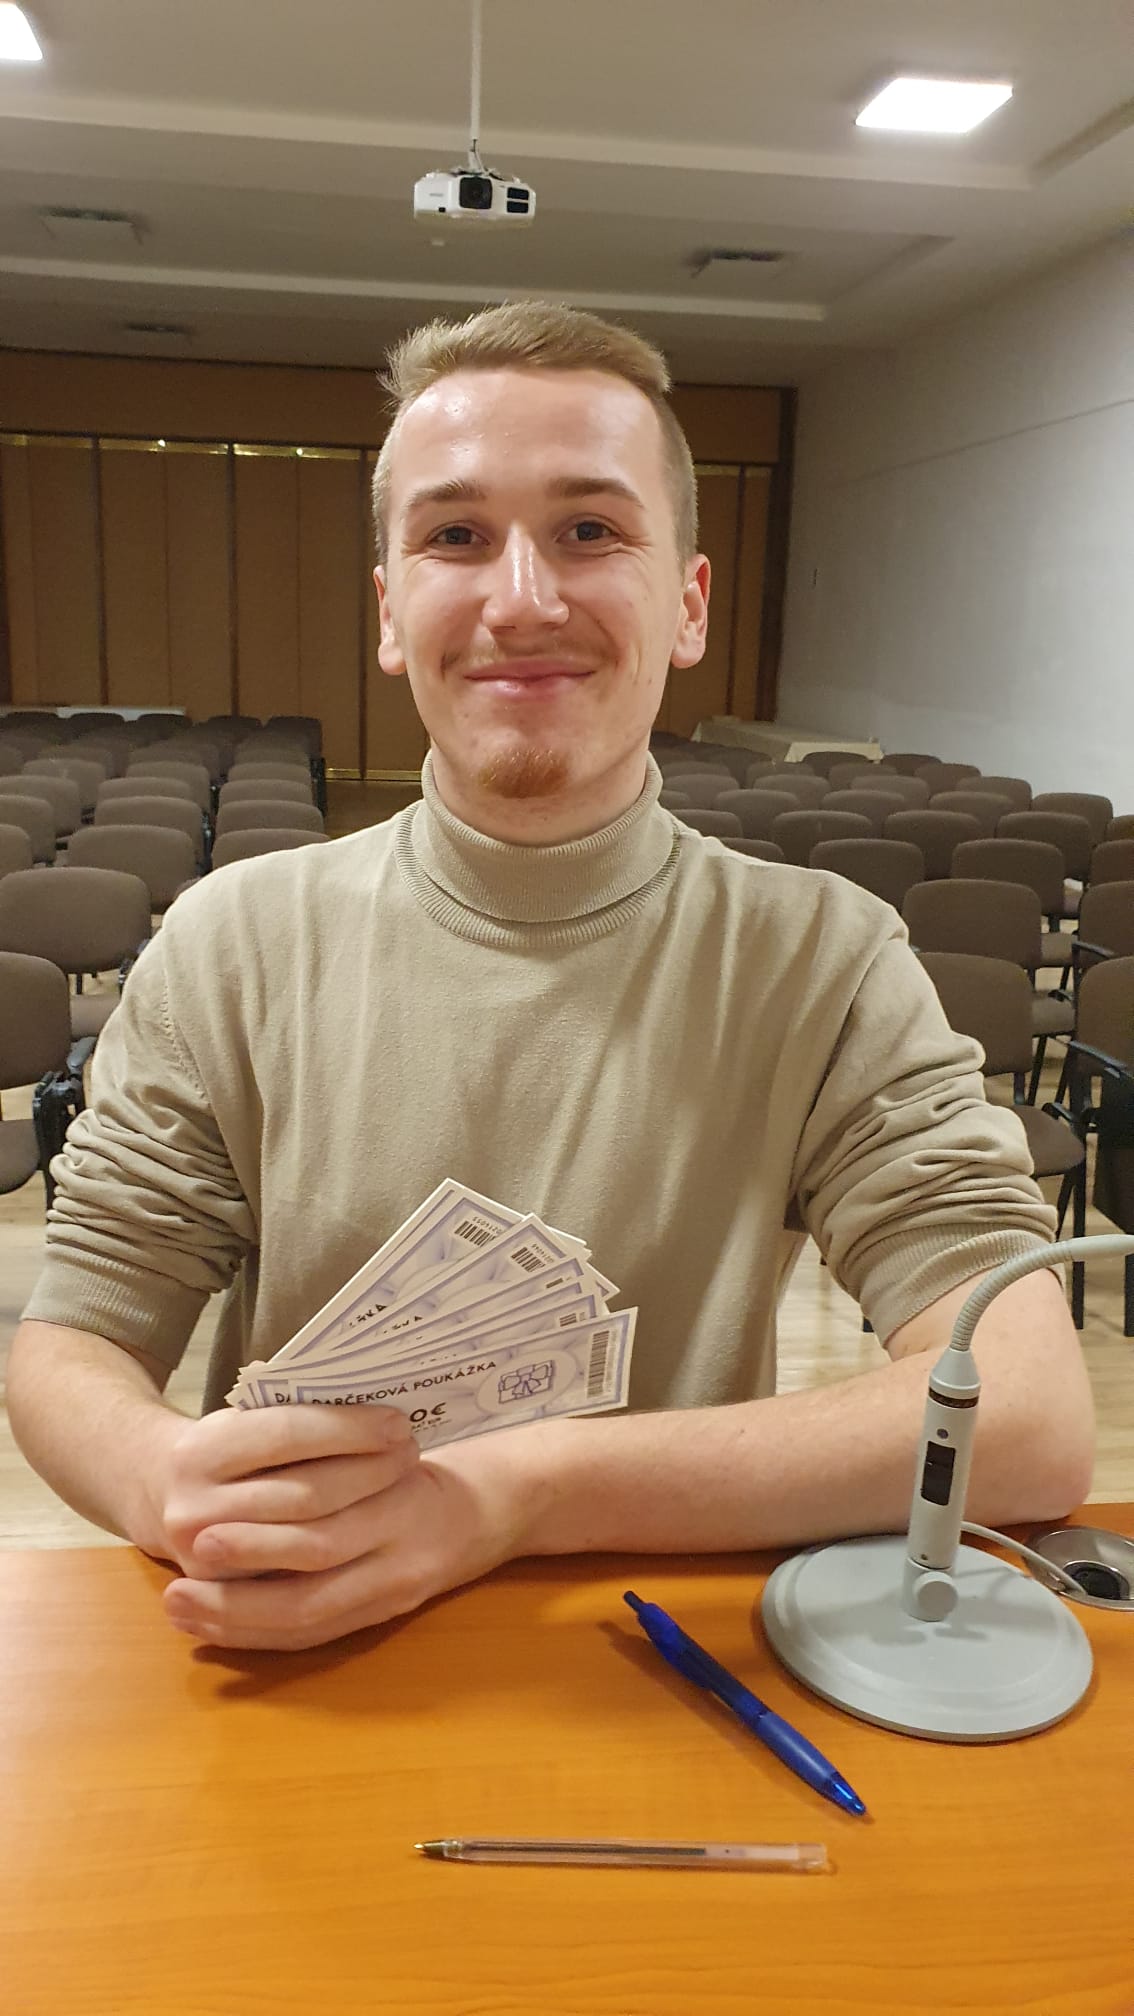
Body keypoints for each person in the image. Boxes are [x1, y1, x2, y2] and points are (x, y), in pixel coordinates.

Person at [8, 303, 1093, 1652]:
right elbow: (75, 1344)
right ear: (392, 610)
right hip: (303, 1644)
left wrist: (514, 1494)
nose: (520, 599)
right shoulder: (229, 943)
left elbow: (1029, 1419)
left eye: (589, 529)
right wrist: (154, 1473)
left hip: (650, 1651)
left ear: (687, 604)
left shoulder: (826, 960)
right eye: (455, 537)